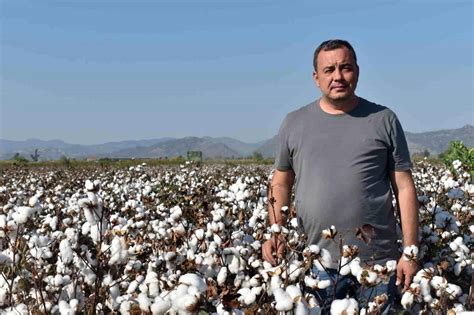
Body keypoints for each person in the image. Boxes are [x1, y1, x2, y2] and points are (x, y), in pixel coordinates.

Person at [262, 39, 419, 309]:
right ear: (316, 77)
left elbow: (404, 188)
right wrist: (276, 231)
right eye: (329, 70)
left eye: (345, 68)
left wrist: (410, 252)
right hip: (317, 262)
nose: (338, 76)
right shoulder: (294, 123)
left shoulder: (384, 119)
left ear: (357, 71)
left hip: (377, 263)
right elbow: (281, 182)